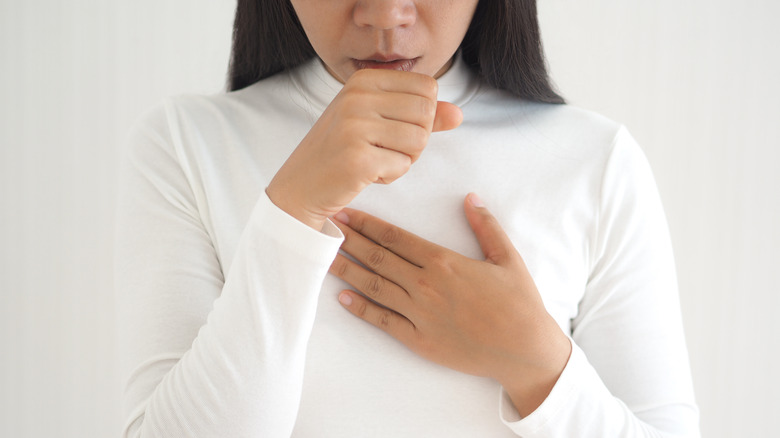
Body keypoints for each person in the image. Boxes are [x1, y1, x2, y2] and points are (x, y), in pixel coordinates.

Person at [115, 0, 700, 436]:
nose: (384, 15)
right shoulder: (188, 145)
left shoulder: (594, 160)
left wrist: (533, 360)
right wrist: (290, 212)